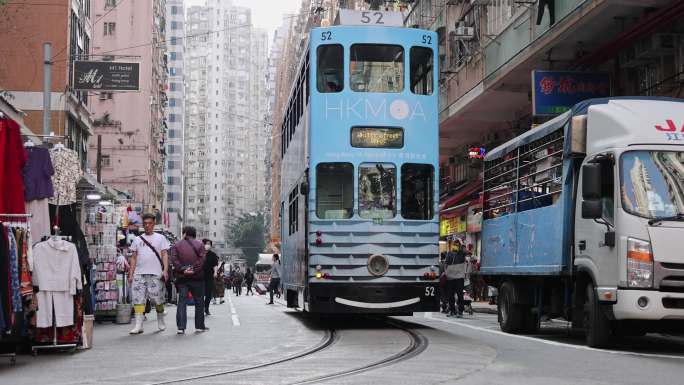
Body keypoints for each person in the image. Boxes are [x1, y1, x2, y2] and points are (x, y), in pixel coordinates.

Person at [128, 213, 170, 334]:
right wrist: (131, 274)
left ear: (154, 223)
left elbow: (164, 254)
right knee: (138, 300)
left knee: (158, 300)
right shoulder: (137, 239)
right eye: (145, 223)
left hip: (155, 274)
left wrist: (165, 270)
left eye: (150, 223)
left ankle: (161, 320)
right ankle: (138, 325)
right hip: (139, 274)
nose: (147, 226)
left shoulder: (160, 238)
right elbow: (134, 258)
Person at [169, 226, 208, 334]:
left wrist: (183, 269)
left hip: (182, 278)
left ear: (185, 233)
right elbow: (202, 259)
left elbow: (174, 259)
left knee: (182, 302)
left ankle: (181, 327)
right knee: (199, 302)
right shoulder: (200, 244)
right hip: (197, 277)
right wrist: (194, 269)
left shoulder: (177, 245)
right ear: (194, 234)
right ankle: (199, 326)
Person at [444, 240, 466, 318]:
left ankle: (460, 311)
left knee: (460, 295)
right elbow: (446, 264)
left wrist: (461, 243)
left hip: (459, 278)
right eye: (454, 244)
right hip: (450, 278)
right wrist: (446, 273)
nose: (455, 246)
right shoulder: (449, 254)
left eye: (457, 245)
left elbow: (465, 250)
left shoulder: (462, 254)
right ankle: (452, 310)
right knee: (450, 295)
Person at [202, 239, 219, 316]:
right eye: (206, 244)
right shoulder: (199, 253)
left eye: (209, 244)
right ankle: (200, 308)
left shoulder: (213, 255)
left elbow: (215, 265)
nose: (207, 245)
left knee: (208, 294)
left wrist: (215, 272)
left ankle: (206, 308)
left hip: (209, 276)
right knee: (200, 293)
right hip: (200, 276)